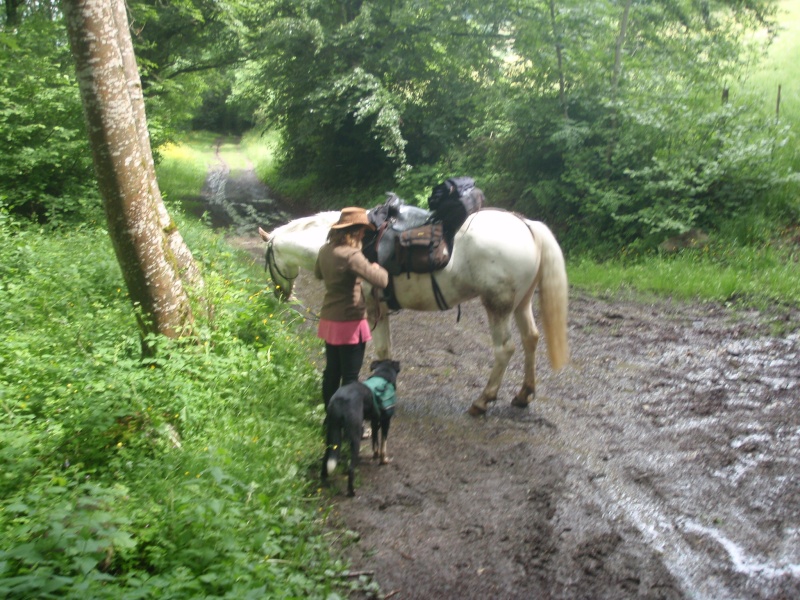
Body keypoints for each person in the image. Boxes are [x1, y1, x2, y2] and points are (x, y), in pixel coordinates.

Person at [314, 206, 389, 406]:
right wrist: (377, 268)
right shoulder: (352, 255)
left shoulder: (325, 250)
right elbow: (381, 281)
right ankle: (350, 425)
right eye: (363, 230)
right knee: (350, 378)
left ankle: (331, 419)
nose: (365, 234)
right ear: (355, 231)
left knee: (331, 372)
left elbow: (318, 274)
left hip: (330, 320)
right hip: (350, 322)